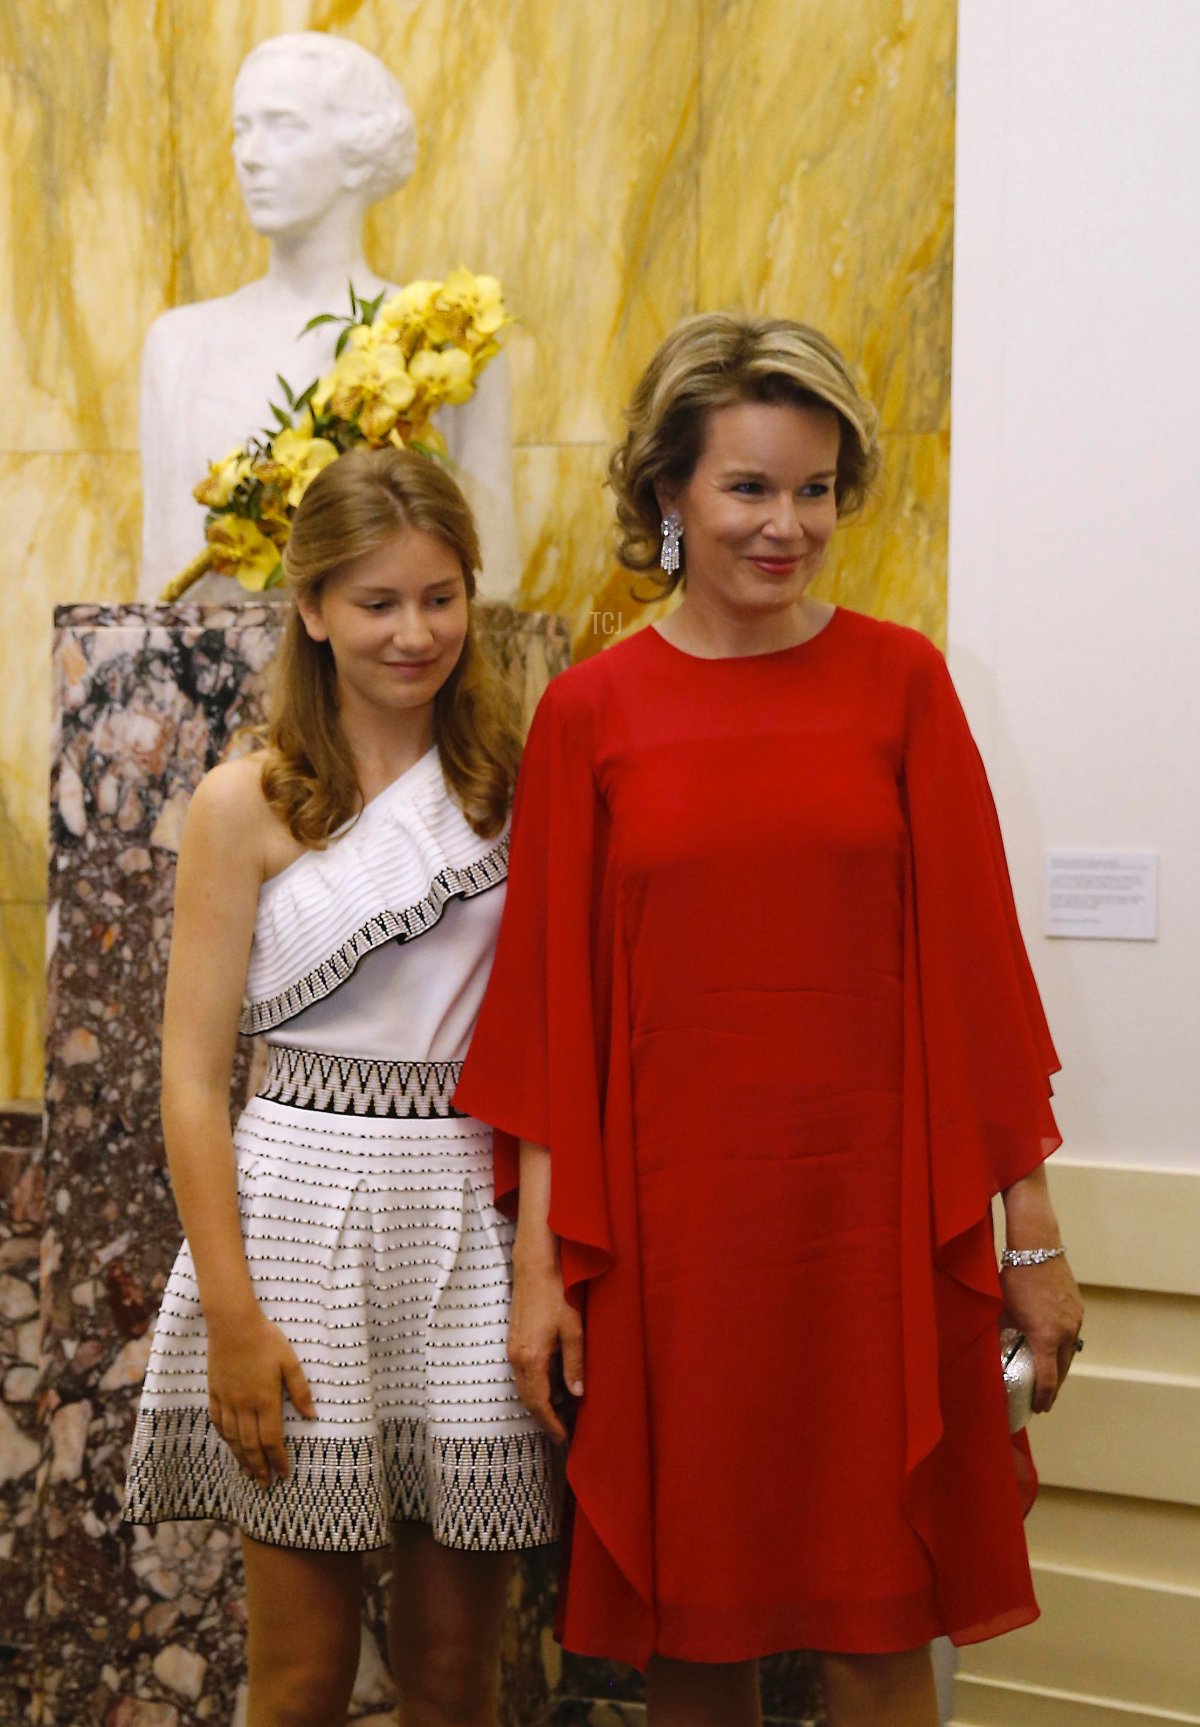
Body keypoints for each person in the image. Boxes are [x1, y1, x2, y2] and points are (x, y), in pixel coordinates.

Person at [454, 314, 1084, 1727]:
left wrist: (1028, 1236)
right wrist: (542, 1272)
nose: (786, 523)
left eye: (813, 487)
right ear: (669, 495)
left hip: (875, 1236)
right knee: (699, 1641)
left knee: (877, 1635)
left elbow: (981, 984)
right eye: (748, 488)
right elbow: (554, 1017)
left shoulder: (903, 682)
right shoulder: (589, 713)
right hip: (679, 1244)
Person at [124, 448, 555, 1727]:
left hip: (467, 1226)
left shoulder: (515, 788)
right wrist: (237, 1321)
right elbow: (193, 1083)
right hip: (296, 1222)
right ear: (310, 607)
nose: (414, 631)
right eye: (377, 601)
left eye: (440, 595)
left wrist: (544, 1267)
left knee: (452, 1676)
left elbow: (556, 1052)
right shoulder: (242, 802)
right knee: (301, 1679)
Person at [139, 32, 519, 601]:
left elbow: (491, 584)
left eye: (284, 128)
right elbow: (159, 591)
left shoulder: (443, 347)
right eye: (242, 129)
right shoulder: (177, 344)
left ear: (357, 154)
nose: (250, 154)